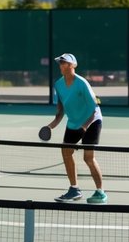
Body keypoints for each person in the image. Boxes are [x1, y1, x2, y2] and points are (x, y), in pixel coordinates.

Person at [44, 53, 107, 204]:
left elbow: (94, 109)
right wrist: (50, 126)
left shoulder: (82, 83)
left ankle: (100, 192)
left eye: (64, 63)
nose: (61, 65)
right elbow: (60, 111)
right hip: (74, 122)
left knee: (88, 158)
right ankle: (74, 189)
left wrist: (84, 127)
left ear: (72, 65)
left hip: (92, 120)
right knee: (66, 151)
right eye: (60, 63)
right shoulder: (58, 85)